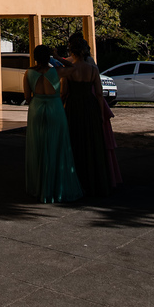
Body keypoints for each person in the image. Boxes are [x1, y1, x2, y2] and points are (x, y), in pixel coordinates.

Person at [24, 45, 83, 203]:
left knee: (38, 146)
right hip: (54, 107)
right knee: (57, 145)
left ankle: (39, 185)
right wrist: (57, 57)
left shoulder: (28, 73)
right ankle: (55, 186)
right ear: (48, 56)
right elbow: (73, 67)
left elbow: (27, 96)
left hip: (36, 107)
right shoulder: (57, 71)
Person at [62, 33, 114, 196]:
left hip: (74, 106)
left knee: (75, 140)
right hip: (90, 105)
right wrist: (100, 113)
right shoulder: (93, 69)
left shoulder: (68, 71)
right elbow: (99, 94)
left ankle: (77, 178)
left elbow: (64, 92)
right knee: (92, 141)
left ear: (72, 52)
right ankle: (95, 180)